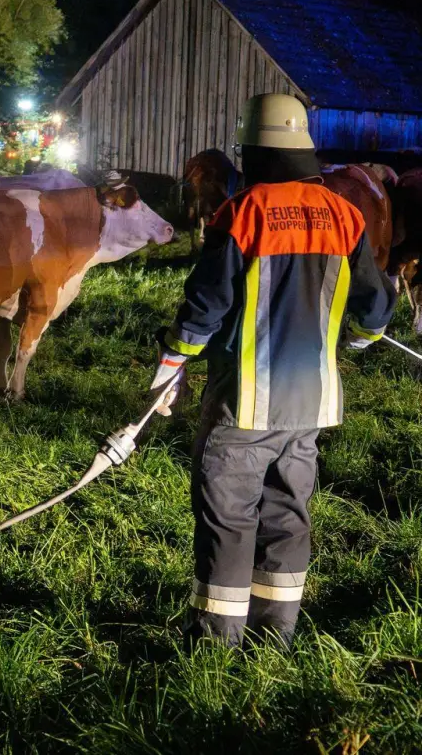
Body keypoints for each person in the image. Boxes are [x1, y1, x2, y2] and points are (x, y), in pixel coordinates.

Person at [152, 94, 394, 647]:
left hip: (244, 404)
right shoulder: (346, 214)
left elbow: (206, 305)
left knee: (229, 518)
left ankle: (216, 644)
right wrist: (360, 338)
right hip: (310, 406)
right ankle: (274, 638)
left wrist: (171, 362)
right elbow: (376, 310)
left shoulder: (243, 212)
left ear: (253, 151)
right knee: (289, 517)